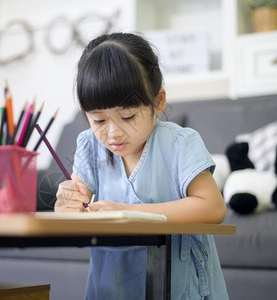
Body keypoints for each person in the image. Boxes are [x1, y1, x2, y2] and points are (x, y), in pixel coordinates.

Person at [55, 32, 228, 299]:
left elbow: (212, 207)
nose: (112, 133)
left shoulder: (179, 144)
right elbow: (76, 205)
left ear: (158, 102)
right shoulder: (90, 145)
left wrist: (128, 212)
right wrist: (66, 205)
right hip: (111, 287)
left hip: (177, 287)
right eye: (99, 120)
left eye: (127, 116)